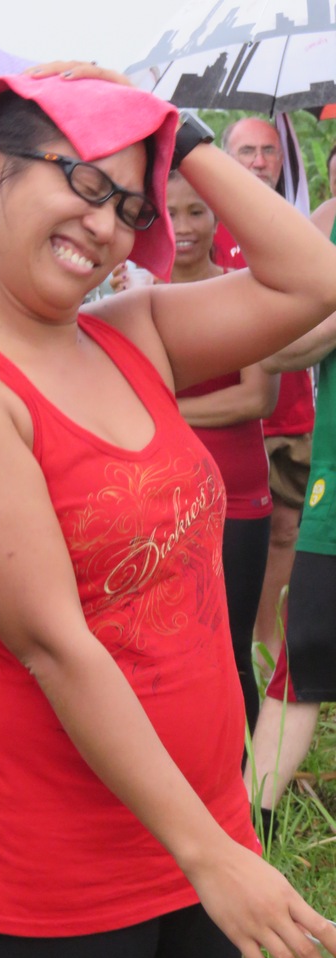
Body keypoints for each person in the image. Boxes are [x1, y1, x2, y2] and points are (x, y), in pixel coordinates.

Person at [0, 65, 336, 958]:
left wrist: (181, 132)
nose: (105, 227)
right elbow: (58, 646)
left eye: (130, 208)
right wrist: (214, 857)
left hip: (200, 832)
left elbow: (314, 278)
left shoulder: (133, 336)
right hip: (58, 871)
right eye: (85, 182)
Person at [112, 170, 278, 742]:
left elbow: (257, 398)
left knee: (231, 649)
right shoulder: (133, 302)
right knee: (168, 651)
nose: (182, 227)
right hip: (159, 499)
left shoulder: (245, 289)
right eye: (168, 213)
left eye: (196, 212)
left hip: (237, 496)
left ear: (216, 219)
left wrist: (166, 409)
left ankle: (249, 785)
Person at [244, 194, 336, 840]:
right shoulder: (325, 231)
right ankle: (250, 827)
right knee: (303, 655)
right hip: (333, 498)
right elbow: (273, 348)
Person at [217, 117, 315, 669]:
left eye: (269, 151)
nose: (258, 161)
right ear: (225, 157)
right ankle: (231, 643)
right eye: (246, 150)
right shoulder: (205, 222)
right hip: (235, 413)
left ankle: (266, 647)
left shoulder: (296, 226)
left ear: (282, 160)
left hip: (292, 409)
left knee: (286, 531)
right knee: (228, 534)